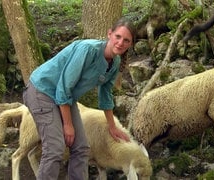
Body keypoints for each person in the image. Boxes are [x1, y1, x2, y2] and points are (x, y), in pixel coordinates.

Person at [22, 17, 136, 180]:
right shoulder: (88, 50)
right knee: (55, 148)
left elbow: (105, 95)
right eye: (118, 37)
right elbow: (63, 87)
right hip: (42, 91)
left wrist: (112, 126)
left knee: (81, 148)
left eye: (126, 40)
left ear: (130, 44)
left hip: (65, 98)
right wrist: (68, 124)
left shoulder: (115, 62)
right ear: (109, 34)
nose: (120, 43)